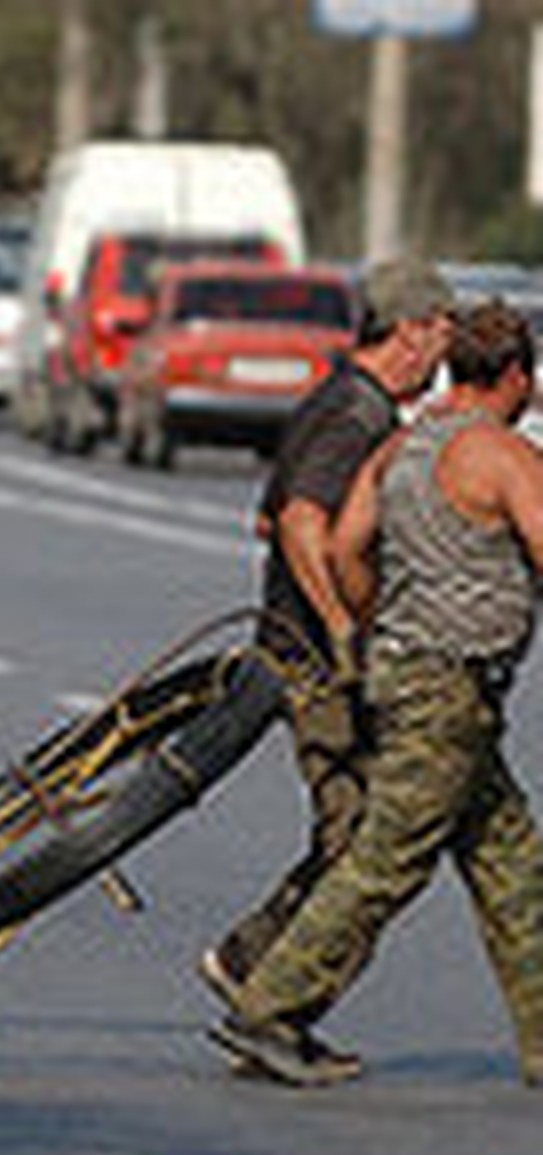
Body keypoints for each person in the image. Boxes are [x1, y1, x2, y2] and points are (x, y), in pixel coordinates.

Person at [211, 299, 543, 1087]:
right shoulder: (501, 455)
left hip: (408, 672)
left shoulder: (400, 448)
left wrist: (376, 616)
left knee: (509, 857)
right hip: (449, 687)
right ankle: (270, 1010)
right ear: (516, 378)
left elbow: (347, 543)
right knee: (389, 859)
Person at [198, 258, 455, 1073]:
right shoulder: (356, 413)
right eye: (438, 336)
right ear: (412, 332)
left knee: (362, 835)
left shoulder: (345, 399)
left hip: (298, 650)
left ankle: (257, 976)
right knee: (365, 844)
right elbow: (303, 520)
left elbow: (266, 519)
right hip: (317, 666)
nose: (439, 354)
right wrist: (344, 627)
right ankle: (267, 1001)